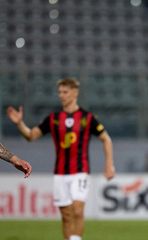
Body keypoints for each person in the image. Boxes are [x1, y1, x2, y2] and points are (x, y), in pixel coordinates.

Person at [7, 77, 115, 240]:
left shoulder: (87, 118)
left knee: (78, 210)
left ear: (75, 93)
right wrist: (19, 124)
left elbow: (106, 138)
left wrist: (109, 165)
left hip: (81, 170)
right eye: (60, 92)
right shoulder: (53, 118)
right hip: (60, 172)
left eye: (65, 92)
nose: (61, 95)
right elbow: (30, 136)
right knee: (65, 215)